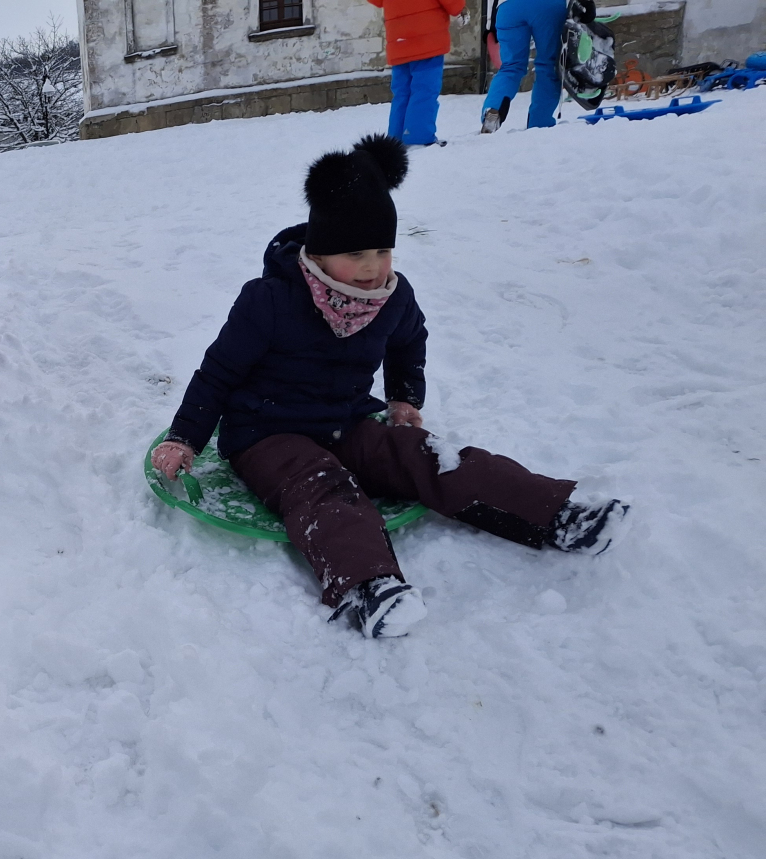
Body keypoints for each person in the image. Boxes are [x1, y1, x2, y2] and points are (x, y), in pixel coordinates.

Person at [151, 134, 628, 638]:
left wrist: (404, 396)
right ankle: (367, 585)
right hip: (265, 433)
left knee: (425, 456)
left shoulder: (391, 297)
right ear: (320, 252)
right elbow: (218, 372)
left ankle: (554, 515)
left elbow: (408, 340)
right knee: (320, 484)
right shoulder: (269, 301)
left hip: (346, 419)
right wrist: (185, 437)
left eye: (382, 250)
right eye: (355, 252)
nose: (371, 266)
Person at [369, 0, 466, 146]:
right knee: (424, 91)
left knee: (402, 93)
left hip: (398, 40)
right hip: (427, 38)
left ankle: (395, 140)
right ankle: (418, 139)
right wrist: (460, 8)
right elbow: (453, 4)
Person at [480, 0, 567, 131]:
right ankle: (540, 123)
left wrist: (490, 24)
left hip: (509, 7)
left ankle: (493, 109)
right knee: (549, 65)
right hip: (548, 6)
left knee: (510, 67)